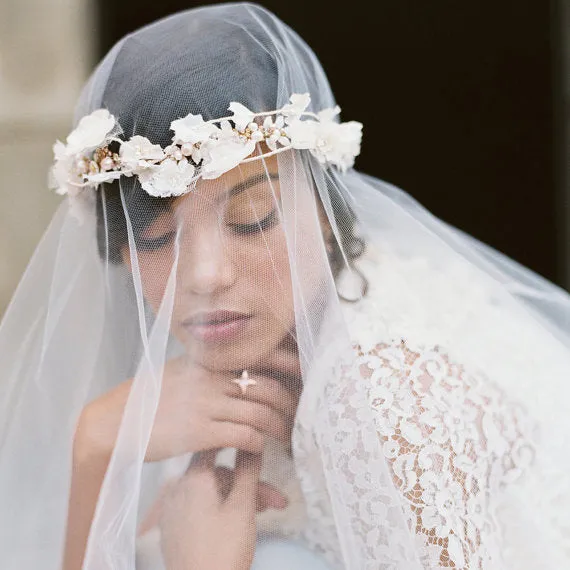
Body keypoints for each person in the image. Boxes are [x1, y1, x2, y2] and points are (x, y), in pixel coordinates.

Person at [0, 3, 569, 569]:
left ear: (324, 212)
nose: (204, 275)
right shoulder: (245, 345)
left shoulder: (385, 400)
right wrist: (97, 447)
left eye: (252, 218)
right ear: (122, 251)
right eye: (156, 239)